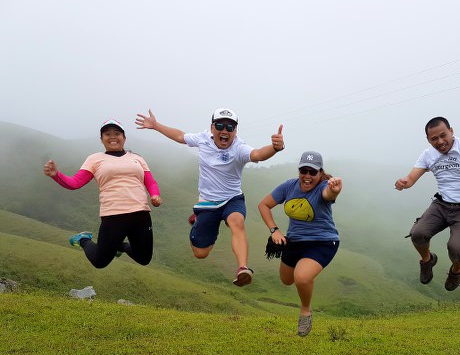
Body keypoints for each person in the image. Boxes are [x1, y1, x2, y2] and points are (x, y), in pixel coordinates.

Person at [135, 108, 285, 286]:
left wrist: (275, 148)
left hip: (232, 199)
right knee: (200, 253)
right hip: (208, 203)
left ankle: (243, 268)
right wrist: (156, 125)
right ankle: (198, 219)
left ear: (235, 132)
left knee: (237, 222)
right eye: (220, 125)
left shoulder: (239, 148)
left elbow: (257, 154)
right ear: (212, 128)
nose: (224, 131)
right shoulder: (203, 139)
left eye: (230, 127)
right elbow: (180, 136)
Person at [395, 117, 460, 290]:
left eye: (443, 135)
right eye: (434, 139)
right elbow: (412, 178)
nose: (440, 141)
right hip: (442, 204)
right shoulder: (428, 155)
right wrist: (404, 183)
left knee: (457, 249)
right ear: (428, 140)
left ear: (451, 131)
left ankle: (456, 270)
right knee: (418, 234)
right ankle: (428, 260)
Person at [43, 119, 162, 268]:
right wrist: (56, 175)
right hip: (113, 216)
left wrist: (154, 195)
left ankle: (121, 246)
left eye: (117, 133)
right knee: (100, 262)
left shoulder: (137, 158)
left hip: (140, 214)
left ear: (124, 138)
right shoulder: (95, 159)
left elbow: (150, 182)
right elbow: (75, 183)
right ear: (101, 139)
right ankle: (83, 239)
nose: (112, 136)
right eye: (107, 134)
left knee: (143, 258)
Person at [258, 151, 342, 337]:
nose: (307, 176)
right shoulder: (289, 186)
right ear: (299, 171)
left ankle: (305, 311)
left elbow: (329, 194)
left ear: (320, 173)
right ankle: (306, 275)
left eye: (313, 172)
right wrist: (275, 231)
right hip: (294, 241)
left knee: (301, 278)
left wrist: (334, 190)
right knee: (287, 280)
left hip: (323, 241)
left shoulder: (322, 187)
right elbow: (263, 205)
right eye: (304, 171)